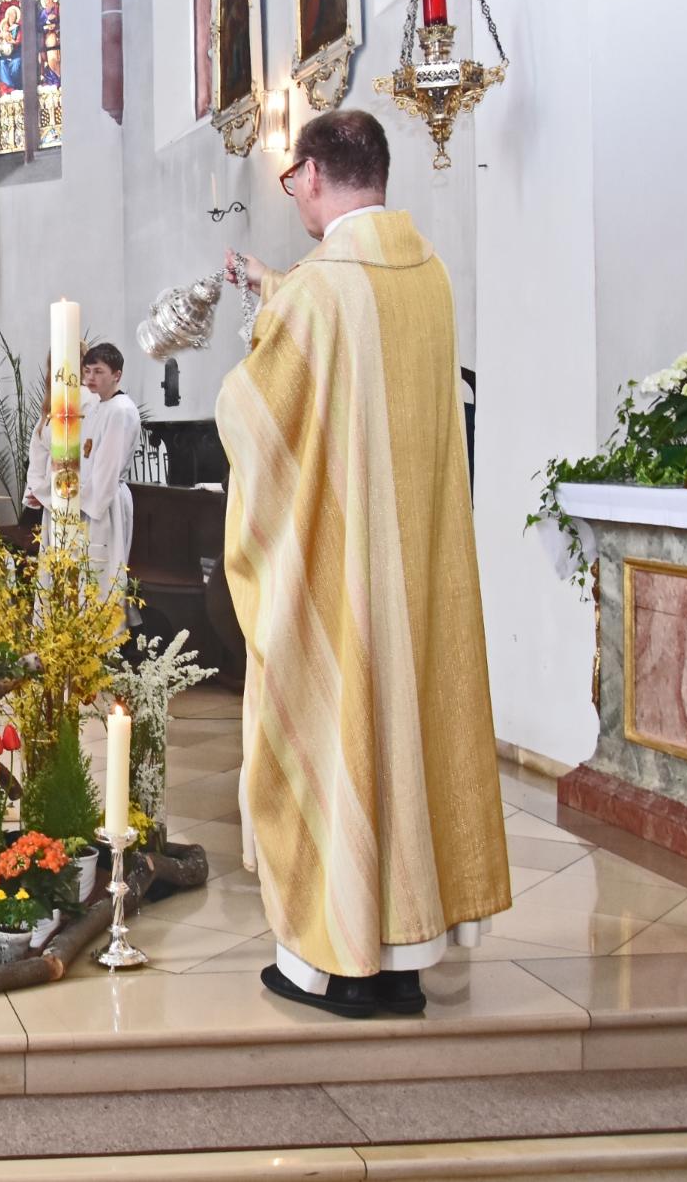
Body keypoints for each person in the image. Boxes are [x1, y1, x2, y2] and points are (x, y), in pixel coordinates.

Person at [218, 109, 510, 1019]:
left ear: (308, 175)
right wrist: (279, 292)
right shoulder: (429, 278)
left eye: (288, 181)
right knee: (406, 734)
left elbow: (258, 418)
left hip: (341, 574)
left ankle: (337, 963)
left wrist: (253, 342)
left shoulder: (318, 289)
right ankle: (403, 958)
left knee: (335, 726)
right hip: (417, 570)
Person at [25, 341, 140, 602]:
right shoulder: (98, 406)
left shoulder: (109, 408)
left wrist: (54, 494)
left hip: (95, 504)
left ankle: (96, 641)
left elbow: (101, 473)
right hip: (70, 498)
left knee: (97, 580)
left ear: (116, 374)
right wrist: (40, 490)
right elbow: (42, 448)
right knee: (66, 581)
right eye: (87, 371)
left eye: (96, 371)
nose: (89, 377)